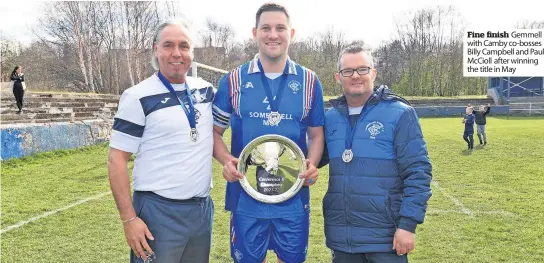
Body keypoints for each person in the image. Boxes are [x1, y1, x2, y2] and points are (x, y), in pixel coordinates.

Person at [212, 3, 325, 263]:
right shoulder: (233, 80)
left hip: (292, 197)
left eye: (280, 28)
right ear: (255, 32)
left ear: (291, 33)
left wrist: (312, 164)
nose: (272, 34)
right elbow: (214, 133)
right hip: (246, 197)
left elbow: (317, 134)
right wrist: (226, 161)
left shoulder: (309, 81)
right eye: (266, 28)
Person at [108, 19, 214, 263]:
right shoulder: (137, 96)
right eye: (168, 45)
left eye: (184, 46)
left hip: (201, 211)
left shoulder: (205, 90)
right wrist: (129, 219)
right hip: (158, 212)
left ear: (191, 52)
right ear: (155, 49)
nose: (176, 53)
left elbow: (217, 133)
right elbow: (116, 160)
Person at [318, 46, 432, 263]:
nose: (355, 76)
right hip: (342, 238)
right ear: (338, 77)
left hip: (386, 238)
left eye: (362, 69)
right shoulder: (330, 118)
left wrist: (408, 225)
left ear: (373, 73)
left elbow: (418, 172)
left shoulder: (400, 113)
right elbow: (310, 159)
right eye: (348, 71)